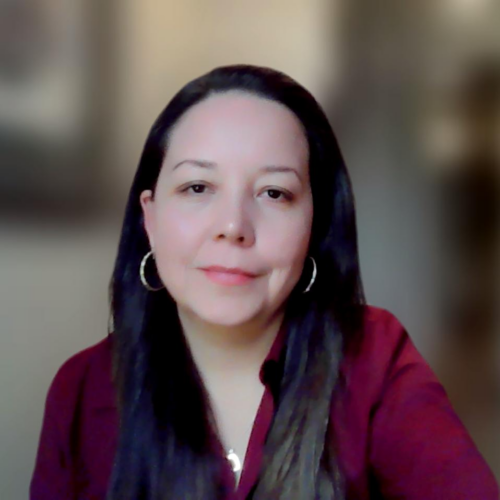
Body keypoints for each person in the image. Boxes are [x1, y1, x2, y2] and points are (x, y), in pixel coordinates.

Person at [30, 65, 499, 500]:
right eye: (198, 187)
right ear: (149, 216)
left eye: (274, 193)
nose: (233, 225)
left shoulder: (372, 357)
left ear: (314, 224)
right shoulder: (82, 391)